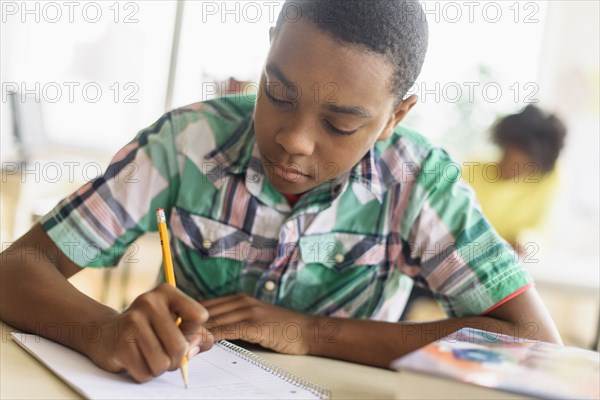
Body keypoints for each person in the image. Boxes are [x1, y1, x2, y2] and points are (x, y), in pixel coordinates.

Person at [0, 0, 562, 383]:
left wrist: (310, 332)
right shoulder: (188, 142)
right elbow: (15, 268)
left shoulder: (418, 183)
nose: (293, 140)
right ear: (269, 48)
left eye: (341, 125)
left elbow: (535, 346)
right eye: (278, 92)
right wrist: (103, 330)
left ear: (396, 117)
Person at [463, 105, 567, 250]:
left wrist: (526, 242)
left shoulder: (548, 178)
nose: (512, 169)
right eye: (508, 158)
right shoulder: (471, 170)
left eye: (525, 166)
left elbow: (538, 233)